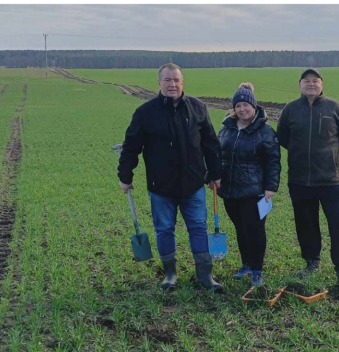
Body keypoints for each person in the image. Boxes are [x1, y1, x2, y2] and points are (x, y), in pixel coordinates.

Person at [118, 63, 223, 292]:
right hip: (161, 186)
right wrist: (125, 176)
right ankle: (170, 275)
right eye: (167, 80)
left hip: (193, 184)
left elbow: (211, 144)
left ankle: (205, 276)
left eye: (176, 80)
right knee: (164, 229)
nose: (172, 84)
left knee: (197, 227)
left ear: (182, 82)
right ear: (159, 83)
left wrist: (215, 173)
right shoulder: (145, 113)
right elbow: (131, 147)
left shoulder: (197, 108)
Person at [276, 69, 339, 295]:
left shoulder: (334, 108)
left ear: (322, 84)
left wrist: (329, 156)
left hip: (331, 181)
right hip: (300, 180)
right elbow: (282, 137)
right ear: (300, 85)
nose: (311, 85)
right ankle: (312, 262)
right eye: (306, 81)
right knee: (306, 224)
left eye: (315, 81)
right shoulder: (290, 110)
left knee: (338, 226)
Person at [216, 83, 280, 288]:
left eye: (246, 105)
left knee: (255, 230)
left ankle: (257, 270)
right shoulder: (226, 128)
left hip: (254, 191)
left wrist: (271, 187)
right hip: (229, 189)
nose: (242, 109)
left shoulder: (265, 131)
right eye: (238, 106)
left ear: (254, 106)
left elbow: (273, 161)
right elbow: (218, 156)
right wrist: (212, 176)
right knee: (240, 229)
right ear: (233, 108)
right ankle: (245, 265)